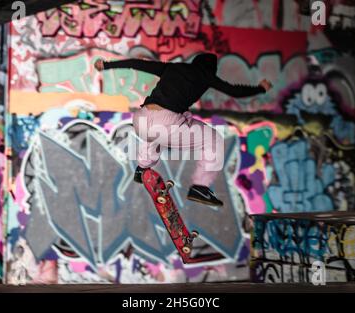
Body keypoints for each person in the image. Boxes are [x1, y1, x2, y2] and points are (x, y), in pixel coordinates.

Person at [95, 53, 272, 206]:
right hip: (165, 123)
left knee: (160, 133)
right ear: (211, 69)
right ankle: (200, 187)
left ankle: (142, 168)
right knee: (213, 139)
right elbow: (234, 91)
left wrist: (107, 65)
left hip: (141, 118)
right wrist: (260, 88)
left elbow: (138, 64)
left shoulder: (174, 68)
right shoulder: (206, 75)